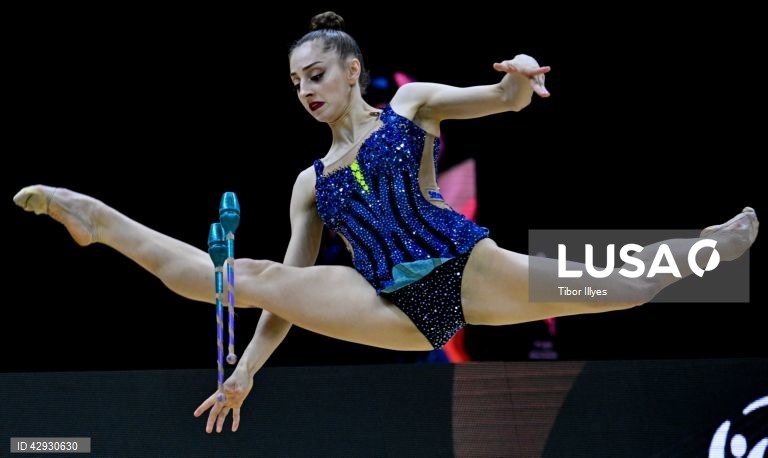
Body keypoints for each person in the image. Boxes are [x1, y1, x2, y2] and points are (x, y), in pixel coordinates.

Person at [13, 11, 758, 434]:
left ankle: (708, 247)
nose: (305, 90)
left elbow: (501, 103)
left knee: (613, 290)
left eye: (316, 74)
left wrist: (518, 77)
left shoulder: (410, 108)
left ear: (348, 68)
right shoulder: (309, 185)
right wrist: (241, 377)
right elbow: (287, 298)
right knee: (258, 278)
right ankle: (98, 218)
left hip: (466, 270)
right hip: (392, 307)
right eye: (295, 82)